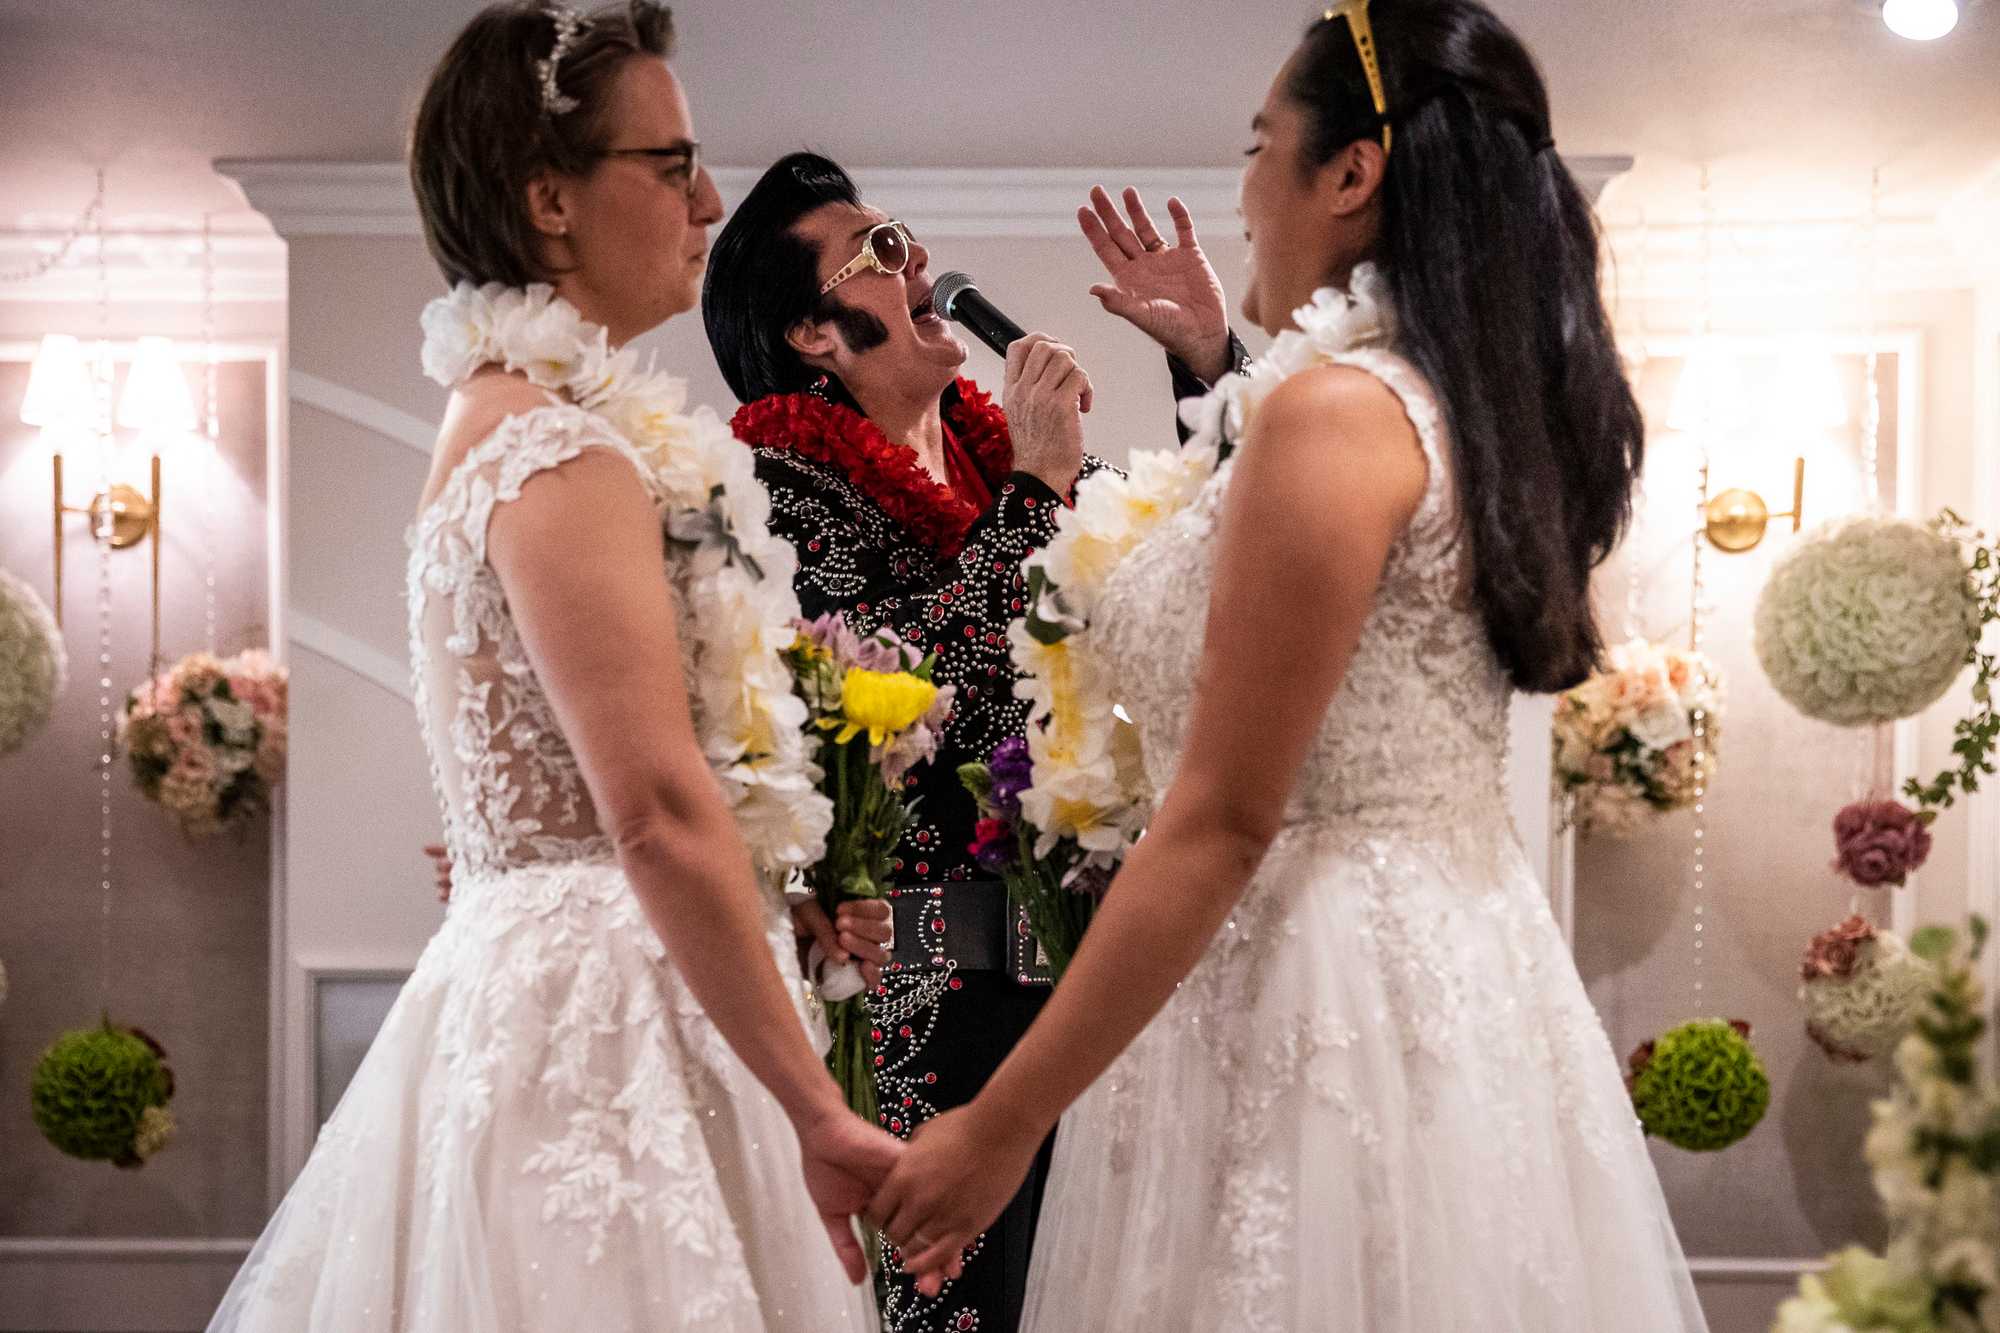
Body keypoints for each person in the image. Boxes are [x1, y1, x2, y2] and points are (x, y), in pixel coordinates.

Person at [869, 2, 1711, 1330]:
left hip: (1312, 1002)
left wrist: (1002, 1123)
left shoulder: (1337, 417)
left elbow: (1220, 820)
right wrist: (1212, 361)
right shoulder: (1443, 403)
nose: (1247, 190)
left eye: (1261, 146)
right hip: (1449, 969)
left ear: (1352, 174)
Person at [209, 6, 899, 1328]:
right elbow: (651, 809)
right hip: (607, 1022)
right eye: (670, 164)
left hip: (536, 981)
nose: (707, 200)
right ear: (549, 200)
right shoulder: (561, 451)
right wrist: (818, 1113)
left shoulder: (506, 420)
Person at [701, 153, 1239, 1332]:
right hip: (910, 1005)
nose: (921, 265)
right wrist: (1037, 495)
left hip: (1080, 990)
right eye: (881, 253)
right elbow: (901, 711)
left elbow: (1219, 564)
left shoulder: (1020, 474)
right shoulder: (771, 499)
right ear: (811, 332)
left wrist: (1204, 362)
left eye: (908, 238)